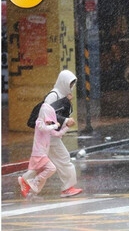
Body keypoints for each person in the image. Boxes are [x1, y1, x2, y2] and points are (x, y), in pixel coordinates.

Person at [19, 70, 82, 198]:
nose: (71, 87)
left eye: (72, 84)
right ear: (63, 82)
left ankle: (25, 180)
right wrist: (65, 121)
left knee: (43, 163)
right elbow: (45, 114)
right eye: (70, 84)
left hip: (50, 136)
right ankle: (67, 188)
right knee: (63, 159)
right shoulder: (53, 95)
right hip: (49, 136)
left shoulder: (62, 95)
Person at [18, 104, 70, 198]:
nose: (50, 120)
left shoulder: (48, 125)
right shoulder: (39, 122)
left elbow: (57, 134)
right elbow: (44, 128)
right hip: (39, 153)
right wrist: (55, 125)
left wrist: (66, 127)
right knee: (51, 169)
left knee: (38, 173)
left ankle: (31, 191)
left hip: (42, 153)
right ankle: (31, 181)